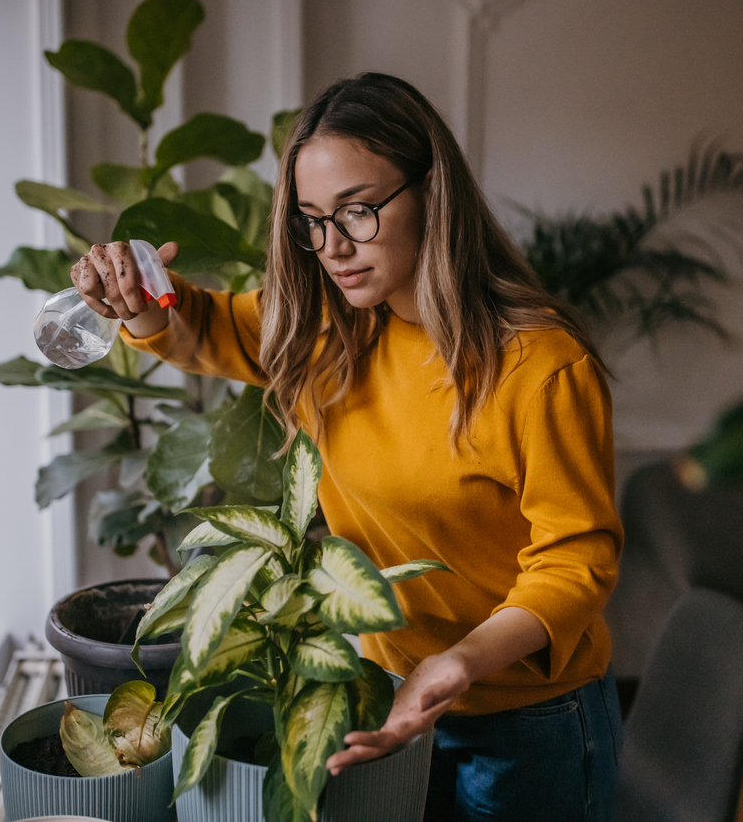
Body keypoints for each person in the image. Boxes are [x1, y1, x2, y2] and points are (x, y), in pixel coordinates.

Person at [70, 72, 624, 822]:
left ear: (432, 191)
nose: (332, 247)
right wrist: (138, 301)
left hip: (527, 722)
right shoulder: (328, 327)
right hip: (391, 696)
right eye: (310, 220)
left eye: (358, 212)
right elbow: (209, 329)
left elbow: (575, 561)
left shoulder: (540, 368)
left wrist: (459, 662)